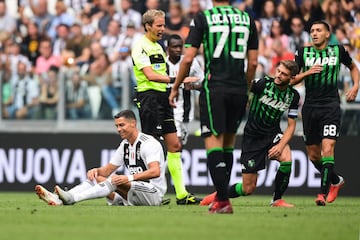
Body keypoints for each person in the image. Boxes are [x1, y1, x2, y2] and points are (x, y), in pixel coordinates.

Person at [169, 0, 258, 214]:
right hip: (238, 88)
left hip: (215, 88)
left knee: (213, 143)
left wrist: (175, 86)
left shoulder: (203, 18)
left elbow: (188, 58)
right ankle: (220, 198)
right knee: (228, 143)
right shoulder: (248, 19)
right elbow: (253, 63)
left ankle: (224, 200)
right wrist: (245, 90)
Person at [200, 60, 300, 208]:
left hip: (273, 134)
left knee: (287, 159)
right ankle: (218, 194)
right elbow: (241, 88)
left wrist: (281, 145)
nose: (278, 75)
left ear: (292, 79)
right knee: (248, 189)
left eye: (283, 74)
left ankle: (277, 199)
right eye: (278, 71)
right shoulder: (263, 84)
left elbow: (291, 126)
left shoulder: (293, 96)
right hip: (252, 137)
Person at [131, 9, 202, 205]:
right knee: (152, 148)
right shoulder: (140, 46)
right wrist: (177, 80)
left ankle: (181, 195)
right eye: (159, 25)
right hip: (149, 98)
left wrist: (171, 92)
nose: (163, 29)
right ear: (148, 26)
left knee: (175, 145)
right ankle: (149, 194)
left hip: (162, 98)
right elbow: (150, 76)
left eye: (163, 25)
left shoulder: (158, 45)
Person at [35, 109, 167, 206]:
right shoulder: (125, 144)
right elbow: (107, 170)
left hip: (153, 193)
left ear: (133, 123)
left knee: (115, 181)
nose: (119, 129)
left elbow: (155, 171)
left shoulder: (148, 143)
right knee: (96, 178)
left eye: (122, 125)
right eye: (117, 126)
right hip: (135, 191)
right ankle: (60, 199)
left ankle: (72, 199)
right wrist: (96, 171)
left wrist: (128, 178)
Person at [292, 20, 359, 206]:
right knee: (314, 156)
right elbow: (291, 80)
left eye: (318, 30)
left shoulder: (338, 51)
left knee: (327, 148)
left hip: (330, 106)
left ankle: (322, 193)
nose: (314, 33)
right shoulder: (302, 52)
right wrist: (306, 73)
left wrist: (355, 86)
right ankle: (336, 181)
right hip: (310, 107)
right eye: (312, 30)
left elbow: (353, 67)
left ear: (327, 34)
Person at [166, 34, 204, 146]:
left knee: (179, 145)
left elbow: (204, 83)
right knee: (175, 145)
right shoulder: (162, 63)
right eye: (174, 47)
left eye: (180, 46)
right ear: (168, 48)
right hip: (167, 111)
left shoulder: (191, 62)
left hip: (185, 112)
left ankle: (167, 164)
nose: (178, 49)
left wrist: (192, 86)